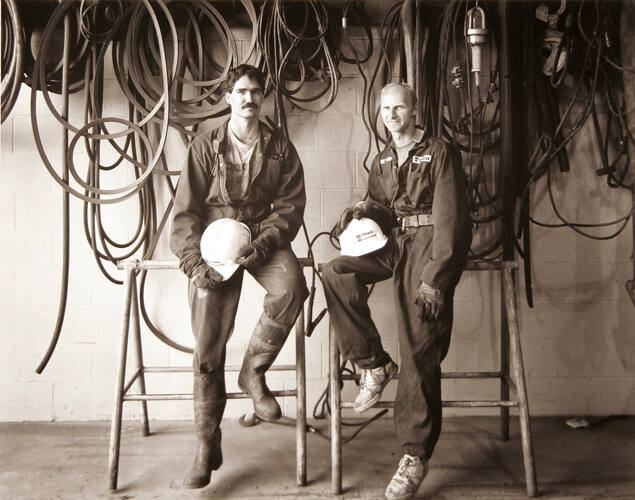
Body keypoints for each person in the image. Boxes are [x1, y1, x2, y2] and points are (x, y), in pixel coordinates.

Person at [322, 82, 472, 499]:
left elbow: (452, 221)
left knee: (418, 345)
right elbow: (383, 211)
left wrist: (434, 280)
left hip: (427, 246)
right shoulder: (383, 158)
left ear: (415, 109)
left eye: (399, 107)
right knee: (335, 271)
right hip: (392, 246)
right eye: (385, 108)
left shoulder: (439, 152)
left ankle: (413, 456)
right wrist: (362, 212)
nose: (391, 115)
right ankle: (372, 363)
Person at [170, 64, 309, 489]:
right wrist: (194, 261)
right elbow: (186, 210)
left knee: (291, 288)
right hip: (215, 241)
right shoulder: (205, 145)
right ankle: (205, 444)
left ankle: (253, 372)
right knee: (208, 343)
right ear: (228, 97)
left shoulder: (281, 148)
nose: (249, 99)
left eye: (256, 92)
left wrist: (266, 242)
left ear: (263, 97)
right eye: (241, 92)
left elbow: (289, 206)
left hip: (261, 236)